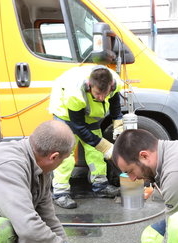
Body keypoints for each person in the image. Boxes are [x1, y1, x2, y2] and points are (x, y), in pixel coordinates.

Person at [48, 65, 125, 209]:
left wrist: (119, 126)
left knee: (96, 151)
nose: (101, 98)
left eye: (105, 94)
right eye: (97, 94)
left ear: (111, 85)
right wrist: (106, 147)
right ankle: (60, 193)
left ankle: (100, 185)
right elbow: (78, 127)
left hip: (88, 113)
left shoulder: (115, 82)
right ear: (90, 86)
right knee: (66, 153)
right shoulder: (75, 93)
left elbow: (115, 105)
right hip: (66, 113)